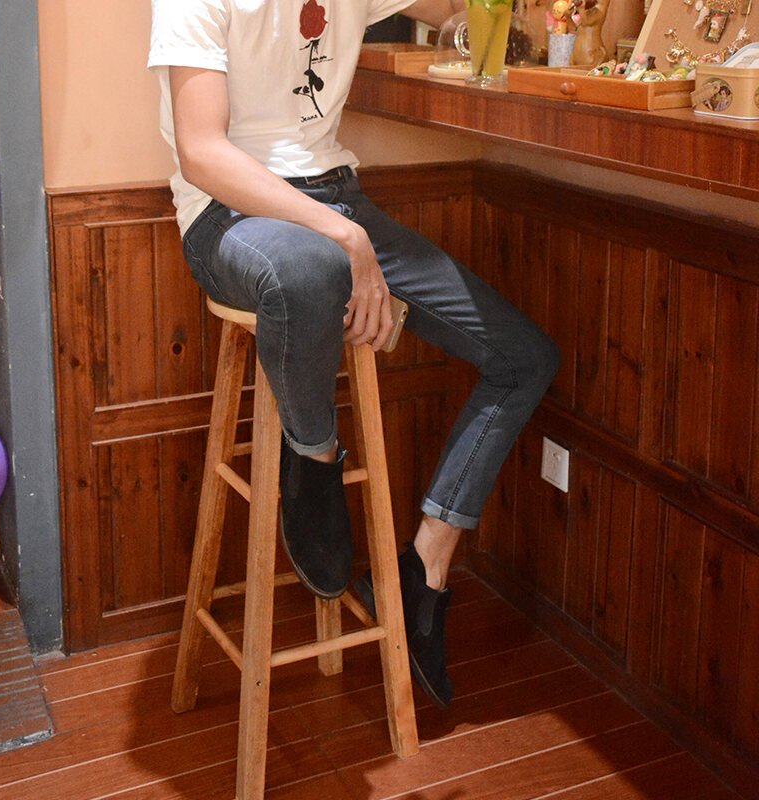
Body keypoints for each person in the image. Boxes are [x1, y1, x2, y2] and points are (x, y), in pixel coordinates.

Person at [148, 0, 560, 710]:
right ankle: (313, 460)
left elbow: (455, 8)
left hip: (339, 199)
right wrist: (345, 240)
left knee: (525, 357)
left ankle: (424, 569)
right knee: (310, 270)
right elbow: (202, 153)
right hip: (229, 215)